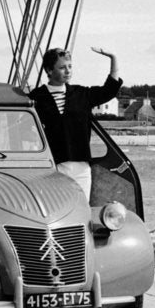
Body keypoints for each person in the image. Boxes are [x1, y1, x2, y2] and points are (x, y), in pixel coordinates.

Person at [30, 46, 121, 200]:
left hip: (81, 167)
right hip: (51, 166)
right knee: (54, 209)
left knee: (80, 209)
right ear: (49, 70)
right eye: (62, 67)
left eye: (70, 67)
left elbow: (109, 90)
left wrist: (113, 58)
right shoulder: (36, 97)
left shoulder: (81, 94)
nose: (68, 71)